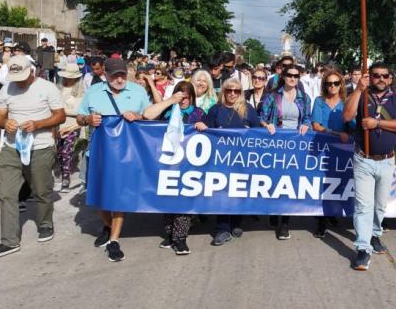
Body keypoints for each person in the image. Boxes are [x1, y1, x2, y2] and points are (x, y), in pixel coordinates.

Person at [0, 56, 65, 259]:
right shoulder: (7, 89)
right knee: (7, 194)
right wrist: (6, 123)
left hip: (41, 147)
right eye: (15, 77)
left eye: (22, 76)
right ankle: (9, 241)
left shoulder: (47, 88)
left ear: (32, 71)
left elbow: (60, 116)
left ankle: (45, 224)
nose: (19, 81)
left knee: (41, 190)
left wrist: (38, 124)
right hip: (12, 147)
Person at [76, 58, 150, 262]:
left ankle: (114, 240)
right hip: (98, 153)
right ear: (105, 75)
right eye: (115, 75)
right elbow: (79, 117)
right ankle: (108, 226)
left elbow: (150, 116)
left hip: (127, 154)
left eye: (123, 75)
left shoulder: (137, 92)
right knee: (96, 193)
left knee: (118, 196)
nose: (119, 79)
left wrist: (138, 115)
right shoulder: (93, 92)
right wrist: (88, 120)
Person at [343, 63, 396, 271]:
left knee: (380, 204)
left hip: (387, 160)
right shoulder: (362, 94)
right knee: (363, 205)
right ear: (369, 77)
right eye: (376, 75)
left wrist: (377, 124)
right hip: (364, 159)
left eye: (385, 76)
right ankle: (363, 248)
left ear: (390, 79)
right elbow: (347, 116)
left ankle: (374, 235)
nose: (380, 79)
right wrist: (358, 89)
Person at [196, 78, 261, 245]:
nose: (232, 93)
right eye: (229, 90)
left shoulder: (248, 110)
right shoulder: (215, 110)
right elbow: (206, 129)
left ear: (241, 93)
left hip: (243, 160)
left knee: (239, 190)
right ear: (223, 92)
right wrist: (201, 125)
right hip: (221, 160)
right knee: (223, 193)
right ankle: (222, 229)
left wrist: (267, 127)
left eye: (236, 91)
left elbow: (259, 133)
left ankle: (237, 222)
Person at [144, 81, 204, 255]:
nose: (184, 100)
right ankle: (169, 234)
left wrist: (202, 126)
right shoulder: (167, 111)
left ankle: (181, 238)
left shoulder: (198, 113)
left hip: (188, 165)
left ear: (192, 97)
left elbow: (208, 133)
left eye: (187, 96)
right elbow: (148, 115)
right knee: (168, 199)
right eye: (181, 95)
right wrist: (170, 101)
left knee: (183, 201)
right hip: (167, 162)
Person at [260, 64, 312, 240]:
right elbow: (262, 117)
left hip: (295, 146)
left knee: (290, 182)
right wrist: (267, 125)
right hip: (275, 144)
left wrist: (306, 125)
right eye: (289, 75)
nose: (293, 78)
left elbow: (307, 118)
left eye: (296, 76)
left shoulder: (304, 98)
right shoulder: (272, 96)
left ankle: (285, 223)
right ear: (283, 76)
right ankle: (274, 212)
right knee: (275, 180)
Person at [311, 69, 352, 237]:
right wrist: (336, 133)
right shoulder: (319, 101)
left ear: (341, 85)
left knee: (340, 183)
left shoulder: (347, 102)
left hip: (343, 150)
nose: (332, 86)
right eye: (329, 83)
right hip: (324, 149)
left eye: (336, 83)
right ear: (324, 85)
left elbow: (352, 125)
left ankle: (334, 214)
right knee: (323, 184)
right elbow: (317, 126)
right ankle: (321, 221)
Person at [57, 63, 85, 193]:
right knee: (58, 152)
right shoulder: (58, 88)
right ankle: (59, 173)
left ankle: (65, 179)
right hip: (57, 125)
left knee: (66, 152)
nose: (68, 79)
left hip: (72, 125)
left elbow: (78, 111)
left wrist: (61, 111)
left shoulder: (80, 91)